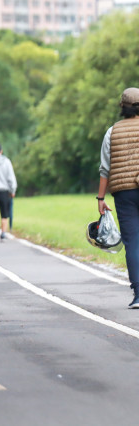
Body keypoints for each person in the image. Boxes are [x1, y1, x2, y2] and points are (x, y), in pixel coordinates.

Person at [97, 87, 139, 309]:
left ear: (122, 107)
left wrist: (100, 198)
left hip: (124, 193)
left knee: (133, 242)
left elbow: (105, 169)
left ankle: (138, 294)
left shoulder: (112, 132)